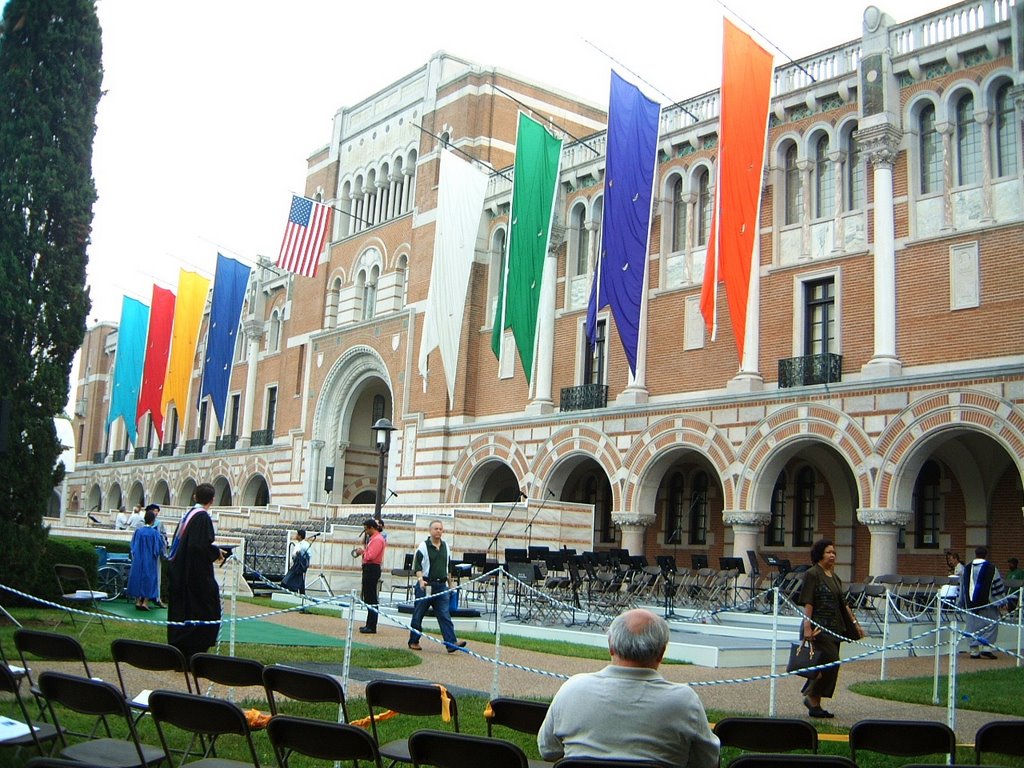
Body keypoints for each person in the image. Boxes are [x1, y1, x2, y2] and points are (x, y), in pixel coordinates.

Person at [537, 608, 719, 767]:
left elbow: (548, 750)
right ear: (662, 653)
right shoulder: (684, 701)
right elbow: (708, 761)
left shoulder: (572, 689)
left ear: (611, 647)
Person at [797, 538, 864, 719]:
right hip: (818, 629)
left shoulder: (834, 577)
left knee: (828, 665)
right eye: (829, 552)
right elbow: (808, 602)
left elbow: (844, 604)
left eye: (834, 552)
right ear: (820, 554)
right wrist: (807, 627)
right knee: (831, 661)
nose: (832, 555)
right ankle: (811, 698)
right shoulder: (813, 574)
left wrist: (856, 625)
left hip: (835, 628)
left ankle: (815, 703)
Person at [167, 482, 227, 661]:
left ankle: (180, 652)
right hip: (194, 576)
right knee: (205, 606)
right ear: (213, 500)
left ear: (194, 496)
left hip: (182, 571)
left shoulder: (188, 515)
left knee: (182, 611)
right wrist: (216, 552)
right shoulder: (202, 517)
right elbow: (198, 546)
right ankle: (194, 651)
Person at [407, 520, 466, 653]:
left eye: (440, 529)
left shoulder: (445, 546)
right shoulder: (423, 546)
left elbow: (448, 567)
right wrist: (420, 580)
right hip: (426, 585)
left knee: (444, 615)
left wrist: (450, 585)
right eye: (436, 529)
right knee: (418, 614)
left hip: (441, 586)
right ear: (430, 531)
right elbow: (417, 565)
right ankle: (414, 640)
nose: (438, 531)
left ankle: (451, 643)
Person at [959, 546, 1008, 659]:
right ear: (986, 555)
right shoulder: (991, 568)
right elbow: (997, 586)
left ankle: (974, 651)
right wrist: (1002, 601)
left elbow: (962, 587)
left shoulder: (967, 568)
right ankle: (986, 648)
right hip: (988, 604)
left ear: (975, 554)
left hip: (971, 605)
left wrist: (961, 602)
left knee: (972, 627)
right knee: (991, 624)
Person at [126, 507, 165, 610]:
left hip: (138, 559)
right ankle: (145, 603)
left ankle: (138, 601)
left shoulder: (138, 532)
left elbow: (133, 546)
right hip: (150, 560)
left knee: (138, 578)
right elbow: (157, 548)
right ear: (153, 521)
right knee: (149, 579)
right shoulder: (155, 533)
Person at [354, 518, 386, 634]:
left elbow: (371, 556)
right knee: (368, 596)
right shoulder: (373, 539)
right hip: (369, 568)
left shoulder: (377, 539)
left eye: (366, 529)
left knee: (371, 597)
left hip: (372, 568)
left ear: (371, 528)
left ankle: (372, 625)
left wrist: (362, 552)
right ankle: (369, 623)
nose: (365, 532)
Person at [147, 503, 168, 608]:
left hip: (156, 554)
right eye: (154, 510)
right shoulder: (142, 523)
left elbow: (164, 536)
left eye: (157, 511)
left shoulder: (159, 524)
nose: (156, 513)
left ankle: (157, 598)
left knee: (157, 576)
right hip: (146, 553)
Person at [281, 529, 310, 596]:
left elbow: (308, 556)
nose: (296, 536)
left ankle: (297, 593)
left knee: (288, 580)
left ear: (300, 536)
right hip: (296, 564)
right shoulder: (298, 544)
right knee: (299, 581)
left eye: (297, 534)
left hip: (299, 565)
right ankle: (301, 594)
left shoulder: (305, 545)